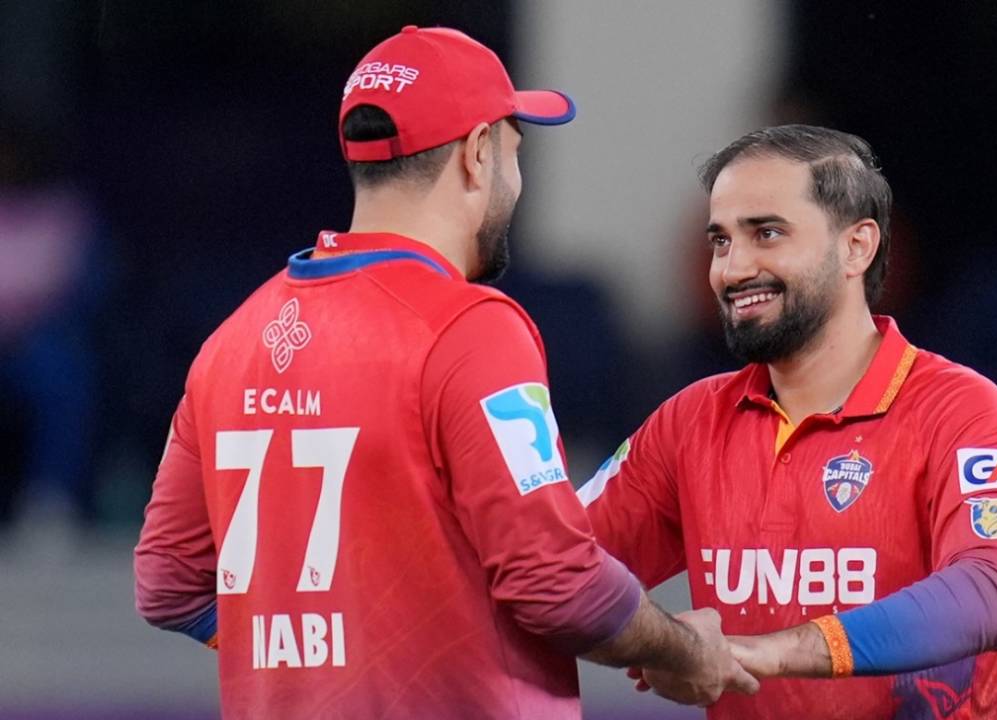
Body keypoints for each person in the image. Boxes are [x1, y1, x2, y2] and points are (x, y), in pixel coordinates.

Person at [133, 26, 756, 719]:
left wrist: (311, 665)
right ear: (478, 154)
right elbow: (556, 584)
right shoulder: (470, 329)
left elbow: (166, 584)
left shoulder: (233, 338)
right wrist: (684, 649)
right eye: (515, 151)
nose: (514, 180)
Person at [579, 125, 997, 719]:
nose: (732, 268)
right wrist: (672, 647)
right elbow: (557, 572)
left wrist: (770, 653)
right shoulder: (689, 423)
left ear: (857, 247)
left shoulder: (958, 408)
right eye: (720, 242)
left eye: (766, 233)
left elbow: (995, 592)